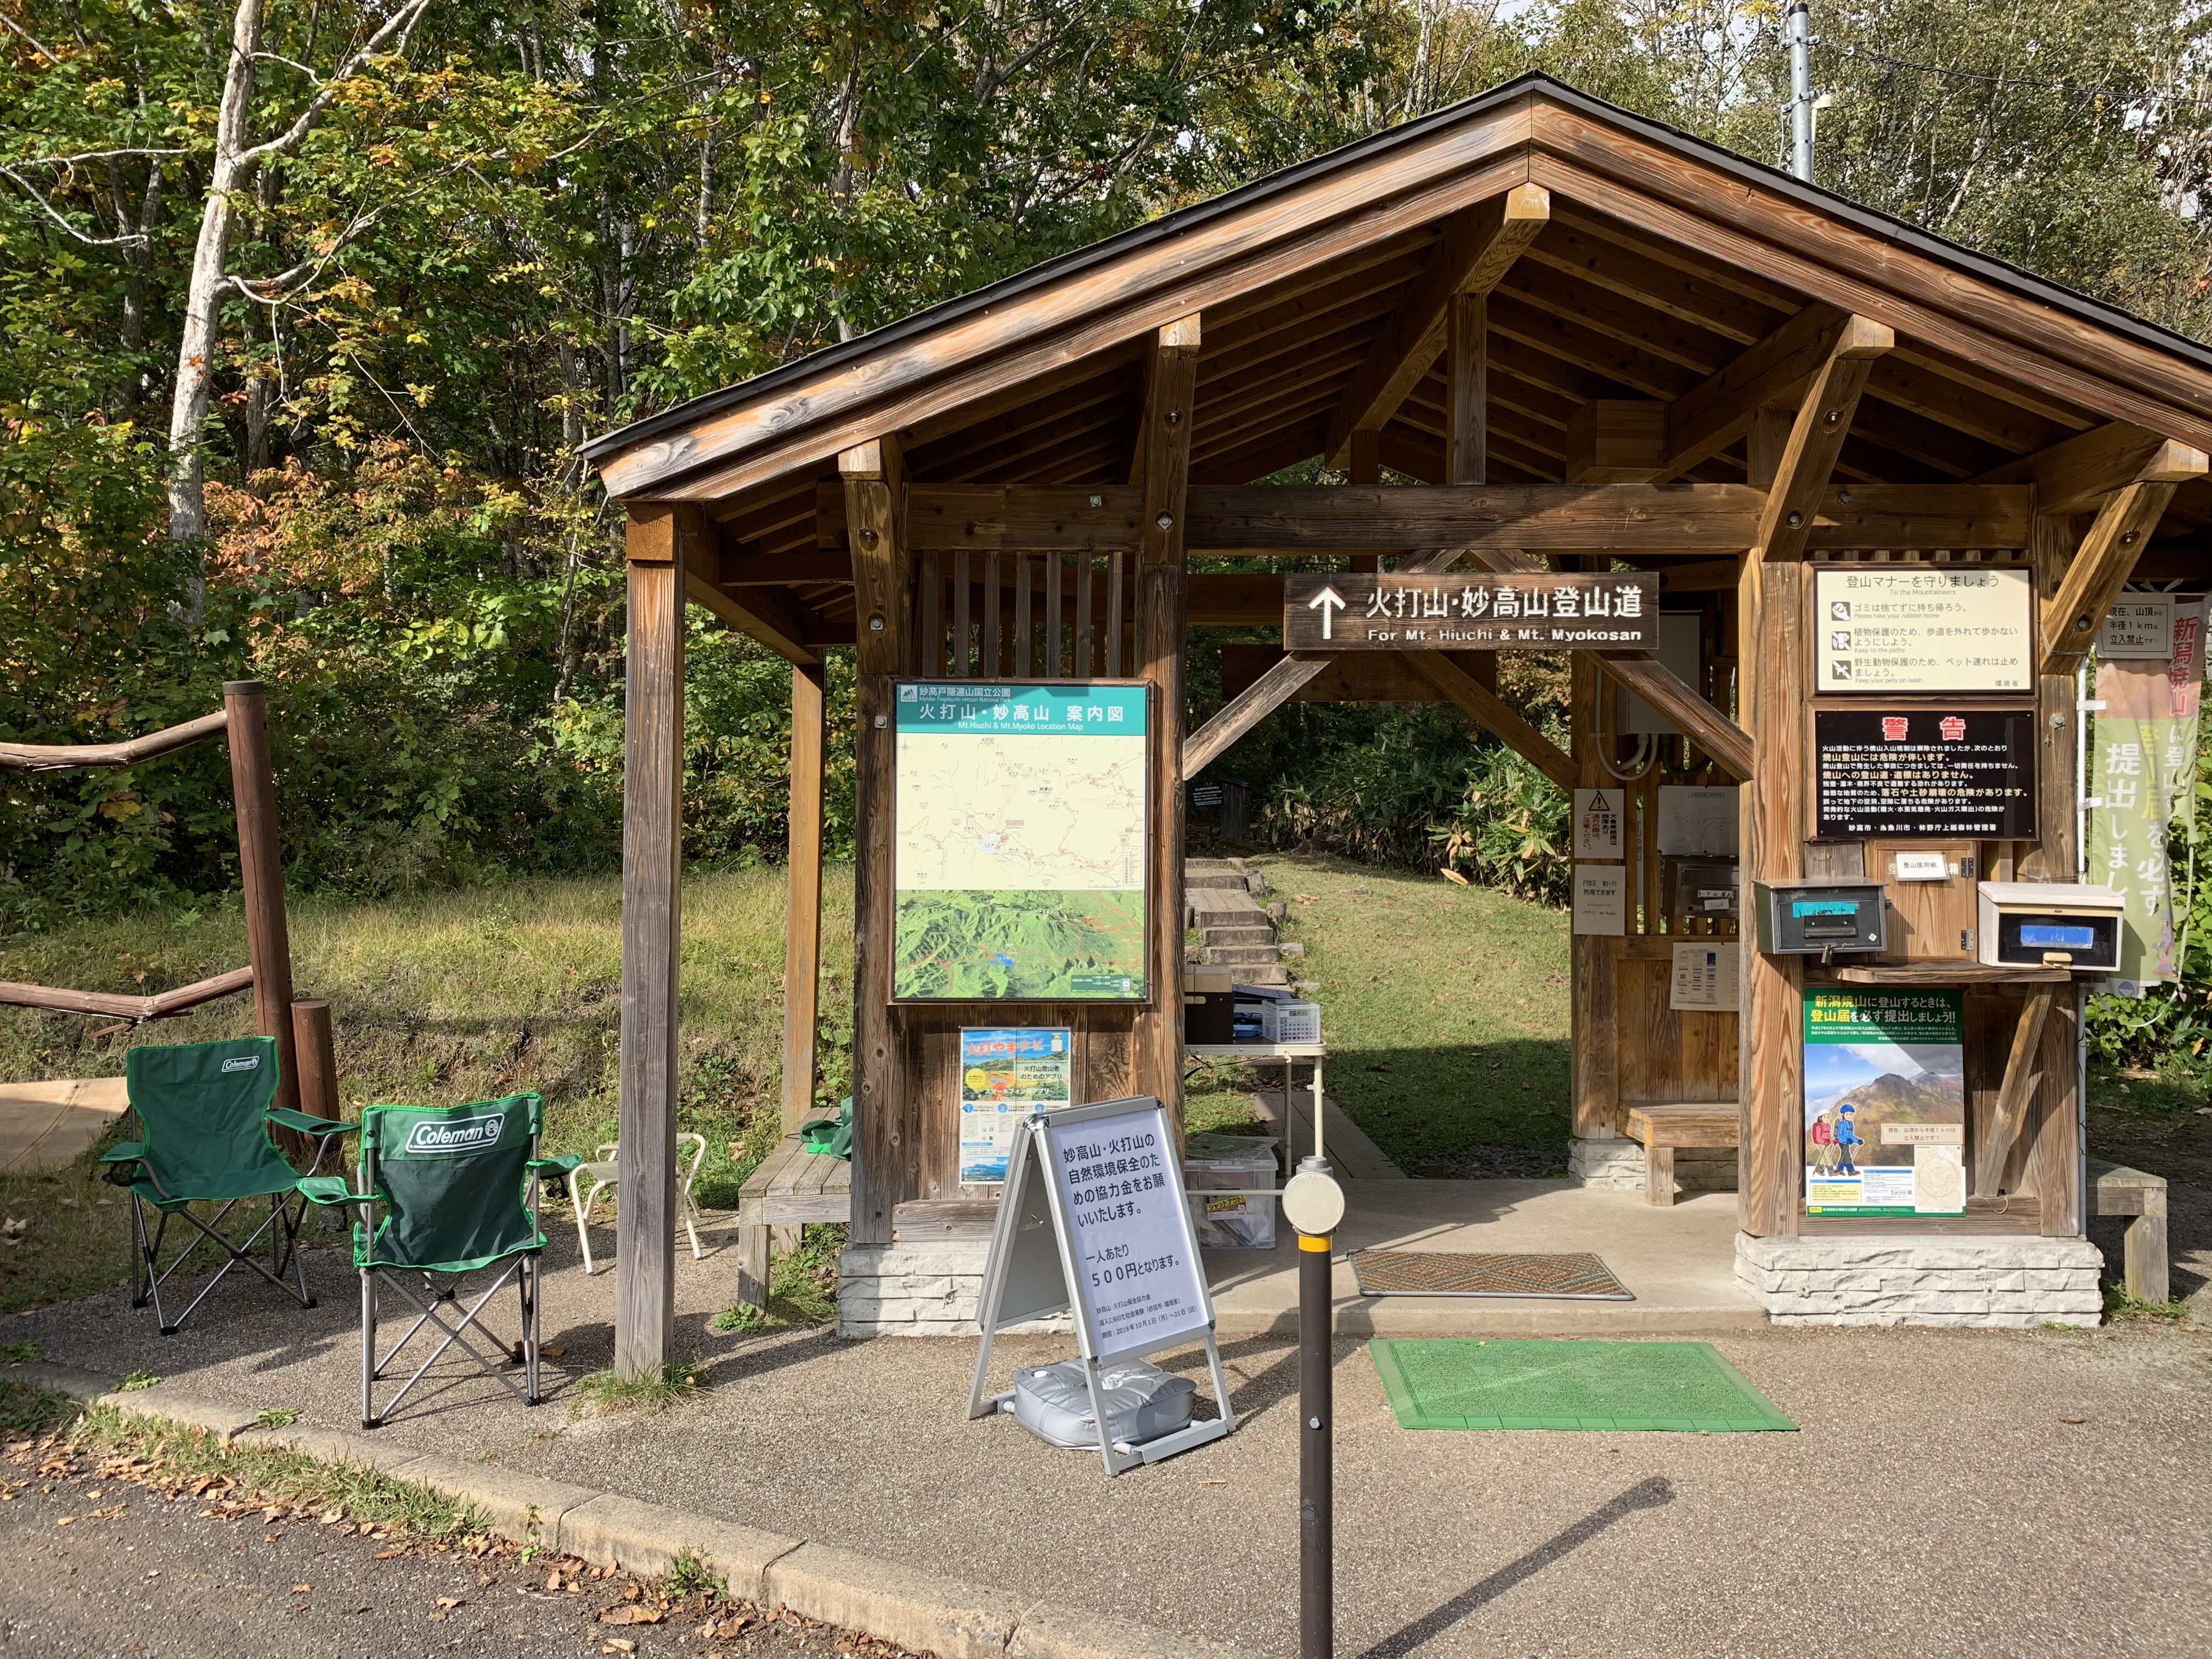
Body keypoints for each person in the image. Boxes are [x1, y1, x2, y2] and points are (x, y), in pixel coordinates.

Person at [1835, 1103, 1864, 1176]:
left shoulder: (1851, 1125)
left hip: (1847, 1142)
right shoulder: (1842, 1124)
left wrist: (1858, 1141)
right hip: (1842, 1142)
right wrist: (1846, 1140)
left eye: (1851, 1114)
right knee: (1847, 1156)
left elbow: (1851, 1136)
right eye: (1847, 1114)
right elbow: (1840, 1135)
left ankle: (1839, 1170)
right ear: (1842, 1114)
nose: (1849, 1116)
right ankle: (1851, 1171)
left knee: (1843, 1156)